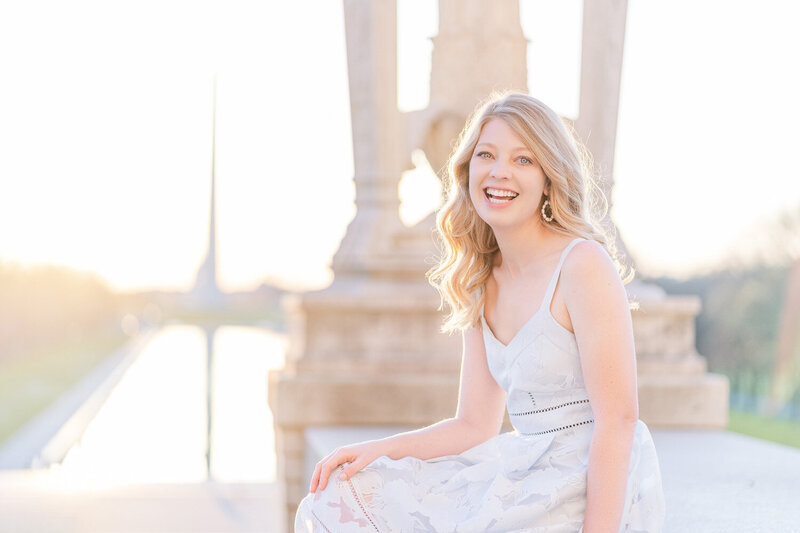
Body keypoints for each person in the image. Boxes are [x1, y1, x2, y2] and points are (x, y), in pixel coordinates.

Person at [295, 92, 665, 532]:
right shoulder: (481, 280)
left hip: (590, 479)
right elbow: (473, 424)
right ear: (467, 170)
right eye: (486, 155)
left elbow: (618, 419)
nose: (499, 171)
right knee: (338, 495)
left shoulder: (583, 264)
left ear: (549, 178)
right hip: (524, 469)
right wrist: (380, 450)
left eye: (523, 160)